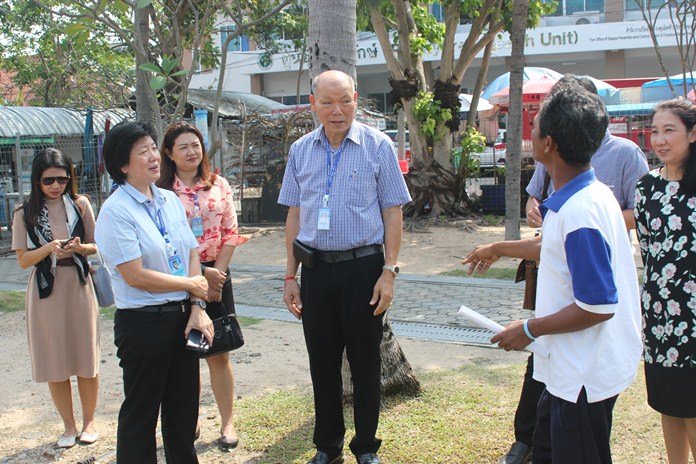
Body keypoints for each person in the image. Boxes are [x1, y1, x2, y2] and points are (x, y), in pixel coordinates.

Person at [466, 83, 642, 463]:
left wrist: (529, 329)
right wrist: (498, 248)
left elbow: (598, 306)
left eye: (535, 126)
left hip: (583, 376)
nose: (530, 132)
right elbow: (553, 248)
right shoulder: (587, 197)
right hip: (568, 369)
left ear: (549, 144)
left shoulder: (580, 211)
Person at [278, 69, 411, 464]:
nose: (338, 111)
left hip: (364, 270)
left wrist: (390, 271)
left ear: (356, 100)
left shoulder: (378, 146)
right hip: (316, 271)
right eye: (328, 102)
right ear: (313, 104)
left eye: (346, 101)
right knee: (322, 362)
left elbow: (393, 212)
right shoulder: (301, 149)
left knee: (365, 363)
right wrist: (290, 275)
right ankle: (327, 445)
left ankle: (366, 447)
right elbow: (293, 216)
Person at [94, 120, 212, 463]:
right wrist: (192, 284)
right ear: (122, 164)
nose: (152, 156)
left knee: (183, 410)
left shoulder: (168, 199)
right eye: (141, 151)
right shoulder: (116, 211)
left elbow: (190, 251)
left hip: (182, 318)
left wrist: (195, 305)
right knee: (141, 413)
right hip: (143, 324)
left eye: (151, 147)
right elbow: (135, 275)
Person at [158, 121, 248, 449]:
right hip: (178, 277)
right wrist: (198, 276)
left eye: (195, 144)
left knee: (218, 355)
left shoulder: (219, 184)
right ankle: (190, 420)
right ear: (168, 152)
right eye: (182, 146)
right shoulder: (161, 192)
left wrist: (217, 276)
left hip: (218, 278)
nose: (191, 151)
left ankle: (227, 423)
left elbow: (230, 232)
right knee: (185, 356)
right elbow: (162, 240)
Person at [11, 148, 100, 448]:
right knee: (55, 359)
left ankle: (89, 423)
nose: (56, 186)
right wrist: (49, 248)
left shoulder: (80, 204)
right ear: (37, 180)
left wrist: (78, 248)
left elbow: (96, 246)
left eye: (62, 179)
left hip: (78, 284)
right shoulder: (24, 213)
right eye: (49, 180)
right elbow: (23, 259)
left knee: (86, 356)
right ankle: (68, 426)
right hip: (45, 291)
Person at [634, 98, 696, 464]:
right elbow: (648, 249)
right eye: (655, 131)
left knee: (692, 407)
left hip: (693, 318)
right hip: (660, 315)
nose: (659, 139)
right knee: (668, 404)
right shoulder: (647, 188)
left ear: (692, 134)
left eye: (669, 130)